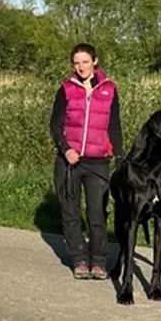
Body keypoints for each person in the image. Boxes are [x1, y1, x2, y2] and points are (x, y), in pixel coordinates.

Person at [50, 43, 123, 280]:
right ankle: (79, 258)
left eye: (85, 62)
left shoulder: (109, 89)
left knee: (97, 213)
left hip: (98, 162)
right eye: (76, 62)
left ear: (95, 61)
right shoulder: (66, 89)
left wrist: (119, 155)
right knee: (70, 211)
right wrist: (65, 149)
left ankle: (99, 260)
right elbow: (55, 124)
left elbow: (114, 125)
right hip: (69, 161)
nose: (81, 67)